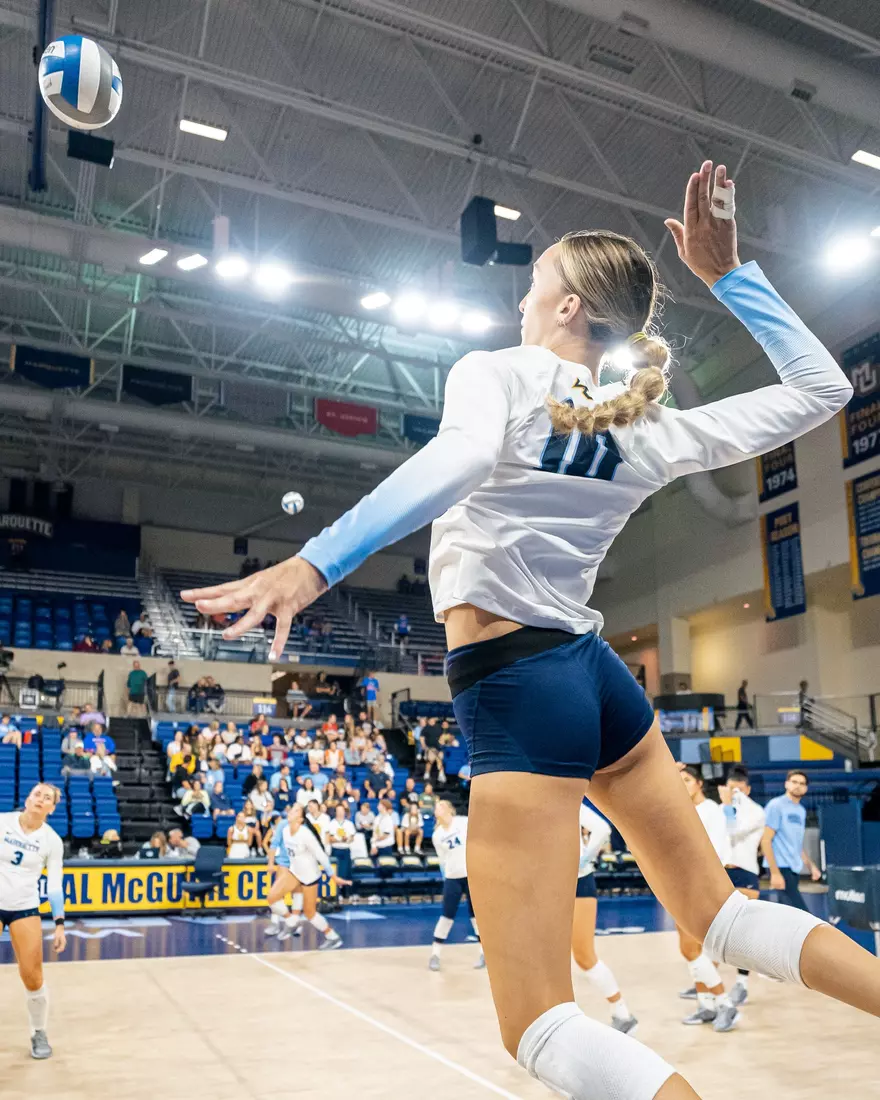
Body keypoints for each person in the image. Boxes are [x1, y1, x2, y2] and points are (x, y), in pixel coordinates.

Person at [181, 161, 879, 1099]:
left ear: (569, 306)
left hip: (518, 686)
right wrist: (730, 276)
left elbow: (462, 458)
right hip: (596, 679)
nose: (521, 299)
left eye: (534, 281)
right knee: (722, 916)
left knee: (540, 1027)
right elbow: (822, 389)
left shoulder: (496, 374)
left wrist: (316, 564)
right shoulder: (648, 428)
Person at [0, 783, 66, 1059]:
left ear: (52, 808)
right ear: (27, 799)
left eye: (47, 798)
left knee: (32, 975)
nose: (40, 799)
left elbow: (54, 885)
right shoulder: (3, 822)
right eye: (37, 794)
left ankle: (39, 1032)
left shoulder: (52, 840)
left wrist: (59, 923)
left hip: (24, 908)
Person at [677, 766, 738, 1032]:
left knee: (692, 948)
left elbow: (714, 849)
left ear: (699, 783)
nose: (683, 785)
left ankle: (725, 1003)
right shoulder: (683, 810)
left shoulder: (711, 810)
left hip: (700, 881)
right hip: (680, 880)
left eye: (687, 780)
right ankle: (707, 1005)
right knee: (691, 949)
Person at [571, 802, 637, 1034]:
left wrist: (584, 858)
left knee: (584, 956)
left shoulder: (568, 798)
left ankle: (622, 1013)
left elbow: (602, 828)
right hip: (549, 884)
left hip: (577, 882)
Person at [266, 804, 348, 950]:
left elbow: (321, 856)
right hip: (294, 872)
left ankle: (332, 936)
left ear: (300, 819)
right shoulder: (285, 830)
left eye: (296, 810)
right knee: (272, 897)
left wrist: (333, 876)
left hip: (310, 875)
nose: (291, 811)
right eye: (292, 809)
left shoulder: (305, 835)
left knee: (310, 912)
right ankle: (292, 921)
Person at [717, 767, 766, 1007]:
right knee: (712, 929)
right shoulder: (719, 808)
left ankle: (742, 984)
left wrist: (728, 804)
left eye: (738, 789)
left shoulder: (756, 811)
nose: (733, 793)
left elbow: (732, 830)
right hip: (720, 871)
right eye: (730, 789)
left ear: (747, 789)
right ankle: (706, 980)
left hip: (744, 872)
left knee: (742, 932)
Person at [428, 800, 483, 970]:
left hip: (471, 875)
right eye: (436, 808)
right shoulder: (437, 835)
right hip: (453, 877)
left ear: (449, 809)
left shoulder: (463, 822)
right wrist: (446, 876)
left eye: (440, 806)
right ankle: (435, 955)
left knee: (476, 916)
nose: (437, 809)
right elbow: (442, 860)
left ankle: (484, 953)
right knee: (447, 915)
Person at [762, 769, 821, 912]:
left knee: (786, 912)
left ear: (806, 788)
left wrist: (811, 866)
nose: (797, 786)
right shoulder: (776, 805)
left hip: (794, 867)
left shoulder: (801, 810)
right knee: (801, 913)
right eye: (794, 782)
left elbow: (796, 844)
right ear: (786, 784)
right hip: (780, 866)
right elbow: (765, 840)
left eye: (802, 783)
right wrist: (775, 873)